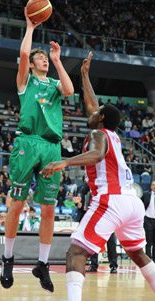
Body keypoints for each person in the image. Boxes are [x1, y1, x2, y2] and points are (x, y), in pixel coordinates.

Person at [41, 52, 155, 301]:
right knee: (138, 254)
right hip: (132, 204)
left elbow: (95, 155)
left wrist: (65, 162)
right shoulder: (110, 133)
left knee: (76, 254)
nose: (89, 111)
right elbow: (93, 105)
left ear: (101, 118)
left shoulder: (98, 136)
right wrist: (84, 75)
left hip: (111, 200)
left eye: (96, 112)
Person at [0, 6, 74, 293]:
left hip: (52, 148)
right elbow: (23, 56)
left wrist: (57, 60)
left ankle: (42, 264)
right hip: (27, 143)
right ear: (32, 65)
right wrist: (30, 28)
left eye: (44, 58)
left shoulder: (54, 84)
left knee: (49, 210)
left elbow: (69, 90)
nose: (42, 59)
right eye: (40, 58)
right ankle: (8, 257)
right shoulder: (24, 81)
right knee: (16, 205)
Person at [142, 180, 155, 262]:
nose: (154, 186)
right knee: (148, 242)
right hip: (148, 220)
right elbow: (140, 205)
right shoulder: (146, 194)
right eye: (153, 185)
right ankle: (147, 260)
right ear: (151, 186)